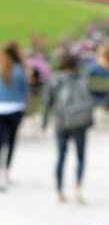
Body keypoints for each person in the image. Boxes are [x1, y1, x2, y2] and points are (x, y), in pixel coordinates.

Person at [42, 53, 94, 204]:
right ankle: (78, 188)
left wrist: (44, 122)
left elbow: (47, 103)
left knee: (61, 157)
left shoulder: (54, 80)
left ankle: (59, 192)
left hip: (62, 122)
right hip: (80, 121)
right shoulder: (82, 78)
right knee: (80, 156)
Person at [0, 42, 27, 190]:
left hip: (1, 109)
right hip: (15, 109)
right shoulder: (19, 70)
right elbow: (24, 90)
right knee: (11, 142)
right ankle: (6, 172)